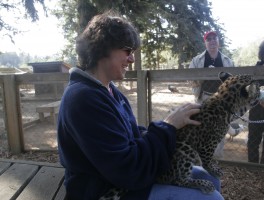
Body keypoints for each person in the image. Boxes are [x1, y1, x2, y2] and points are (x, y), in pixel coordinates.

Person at [57, 11, 224, 200]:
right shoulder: (83, 99)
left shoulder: (108, 91)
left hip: (121, 180)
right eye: (128, 51)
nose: (132, 59)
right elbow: (129, 170)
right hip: (102, 191)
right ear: (103, 48)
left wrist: (174, 129)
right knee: (211, 198)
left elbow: (130, 137)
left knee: (209, 178)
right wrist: (167, 127)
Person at [189, 31, 235, 159]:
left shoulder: (227, 61)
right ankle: (199, 159)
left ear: (218, 41)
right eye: (209, 39)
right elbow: (190, 81)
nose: (212, 41)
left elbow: (233, 82)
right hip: (203, 98)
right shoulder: (196, 60)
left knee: (219, 130)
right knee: (200, 128)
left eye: (214, 38)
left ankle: (217, 159)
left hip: (222, 101)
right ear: (205, 43)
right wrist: (204, 75)